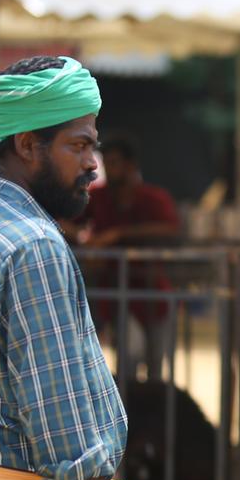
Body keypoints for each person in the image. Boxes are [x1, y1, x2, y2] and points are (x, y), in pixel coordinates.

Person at [0, 55, 161, 480]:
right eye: (78, 146)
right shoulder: (32, 247)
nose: (93, 166)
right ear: (28, 145)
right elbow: (56, 402)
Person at [73, 134, 181, 380]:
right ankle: (129, 412)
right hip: (118, 293)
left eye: (115, 163)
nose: (110, 169)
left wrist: (118, 234)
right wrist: (83, 237)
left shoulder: (152, 197)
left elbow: (171, 228)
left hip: (154, 292)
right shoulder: (97, 197)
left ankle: (152, 412)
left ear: (131, 165)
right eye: (107, 163)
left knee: (155, 362)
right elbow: (68, 221)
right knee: (129, 355)